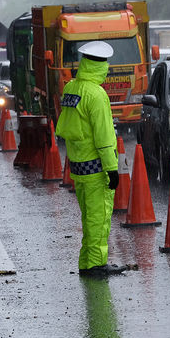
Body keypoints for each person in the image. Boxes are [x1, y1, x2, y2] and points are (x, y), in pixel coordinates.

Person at [54, 40, 124, 278]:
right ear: (101, 66)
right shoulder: (97, 94)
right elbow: (104, 136)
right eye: (105, 64)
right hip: (96, 168)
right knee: (99, 217)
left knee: (88, 216)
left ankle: (86, 262)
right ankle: (96, 264)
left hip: (78, 166)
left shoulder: (71, 88)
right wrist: (112, 169)